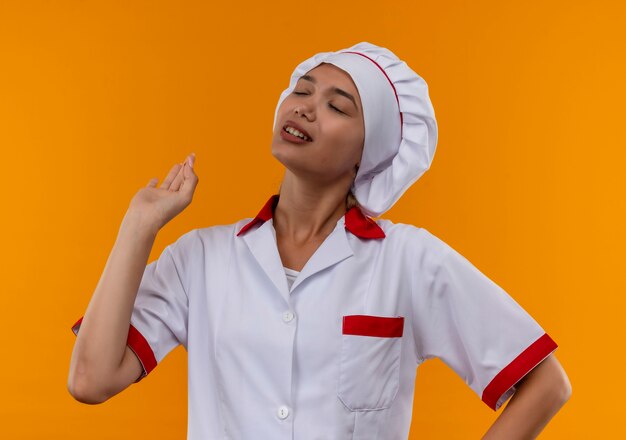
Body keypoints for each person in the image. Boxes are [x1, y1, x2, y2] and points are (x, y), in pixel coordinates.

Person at [67, 42, 571, 439]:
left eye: (338, 106)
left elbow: (546, 384)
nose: (306, 108)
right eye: (302, 90)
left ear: (366, 152)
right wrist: (139, 226)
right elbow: (91, 381)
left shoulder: (409, 260)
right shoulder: (201, 258)